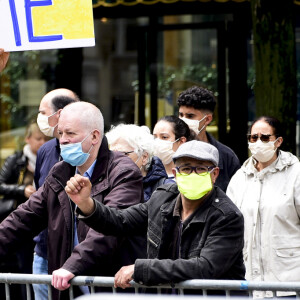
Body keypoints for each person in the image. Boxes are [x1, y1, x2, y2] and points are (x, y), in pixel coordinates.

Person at [0, 102, 144, 300]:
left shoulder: (123, 172)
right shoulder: (60, 172)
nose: (63, 141)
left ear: (94, 136)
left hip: (111, 289)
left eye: (70, 134)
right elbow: (24, 218)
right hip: (70, 288)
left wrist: (71, 266)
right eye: (60, 133)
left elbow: (109, 230)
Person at [66, 140, 245, 291]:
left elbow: (204, 267)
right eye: (186, 169)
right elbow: (121, 221)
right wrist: (86, 204)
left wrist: (140, 268)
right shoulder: (163, 197)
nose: (192, 174)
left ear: (214, 174)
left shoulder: (227, 216)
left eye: (200, 169)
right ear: (175, 174)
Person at [226, 116, 300, 298]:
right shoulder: (239, 177)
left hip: (288, 281)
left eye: (265, 137)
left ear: (278, 141)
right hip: (248, 281)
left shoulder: (296, 174)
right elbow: (229, 226)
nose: (258, 142)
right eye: (253, 137)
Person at [33, 88, 80, 300]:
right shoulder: (45, 151)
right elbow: (36, 201)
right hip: (43, 252)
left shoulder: (87, 153)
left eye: (43, 112)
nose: (39, 118)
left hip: (75, 257)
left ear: (59, 114)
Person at [0, 122, 47, 299]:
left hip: (40, 221)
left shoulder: (51, 157)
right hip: (20, 218)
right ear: (27, 139)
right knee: (22, 266)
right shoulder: (17, 159)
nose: (42, 142)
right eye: (38, 139)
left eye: (45, 139)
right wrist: (22, 190)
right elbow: (1, 185)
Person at [177, 85, 240, 191]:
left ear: (207, 120)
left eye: (190, 116)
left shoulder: (226, 157)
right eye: (181, 115)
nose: (183, 120)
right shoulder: (170, 149)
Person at [106, 123, 171, 201]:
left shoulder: (167, 189)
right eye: (112, 155)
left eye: (123, 154)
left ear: (144, 157)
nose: (116, 160)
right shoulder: (104, 185)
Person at [152, 115, 195, 181]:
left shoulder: (192, 175)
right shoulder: (146, 174)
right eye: (155, 137)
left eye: (164, 137)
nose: (158, 141)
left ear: (181, 141)